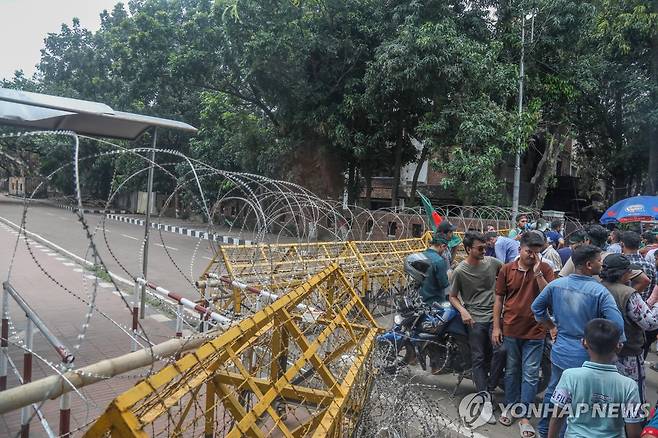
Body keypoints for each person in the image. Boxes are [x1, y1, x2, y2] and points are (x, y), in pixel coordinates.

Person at [532, 244, 626, 438]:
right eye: (600, 260)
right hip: (586, 353)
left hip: (561, 350)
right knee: (578, 398)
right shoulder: (599, 292)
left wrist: (551, 326)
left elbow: (537, 308)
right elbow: (617, 324)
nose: (602, 264)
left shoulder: (557, 284)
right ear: (589, 264)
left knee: (555, 391)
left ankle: (544, 430)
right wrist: (615, 345)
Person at [493, 231, 555, 437]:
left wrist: (537, 272)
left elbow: (550, 296)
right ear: (520, 249)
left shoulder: (545, 269)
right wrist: (496, 326)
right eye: (529, 252)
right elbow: (499, 300)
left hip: (536, 331)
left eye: (537, 253)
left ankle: (524, 416)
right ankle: (511, 406)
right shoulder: (506, 269)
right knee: (511, 371)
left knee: (530, 374)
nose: (532, 256)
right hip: (511, 328)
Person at [547, 319, 643, 438]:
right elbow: (633, 431)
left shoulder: (570, 376)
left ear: (583, 343)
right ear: (619, 347)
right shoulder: (629, 386)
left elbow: (557, 417)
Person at [449, 231, 505, 410]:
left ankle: (488, 389)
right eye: (480, 248)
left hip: (495, 316)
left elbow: (508, 273)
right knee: (478, 359)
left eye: (485, 247)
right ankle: (485, 398)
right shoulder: (460, 271)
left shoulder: (492, 263)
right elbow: (453, 296)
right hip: (475, 320)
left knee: (502, 351)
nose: (484, 251)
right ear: (468, 249)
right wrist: (463, 311)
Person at [601, 254, 658, 404]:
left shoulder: (598, 286)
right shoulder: (627, 293)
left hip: (601, 351)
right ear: (622, 273)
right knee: (633, 396)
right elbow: (650, 323)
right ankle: (635, 424)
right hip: (627, 353)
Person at [622, 231, 657, 301]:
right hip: (645, 307)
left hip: (624, 306)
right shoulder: (650, 265)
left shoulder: (619, 265)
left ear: (622, 244)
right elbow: (654, 289)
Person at [419, 232, 451, 307]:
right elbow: (443, 284)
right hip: (435, 303)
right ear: (441, 246)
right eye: (445, 249)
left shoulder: (421, 256)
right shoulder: (439, 261)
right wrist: (449, 276)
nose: (444, 251)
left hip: (420, 302)